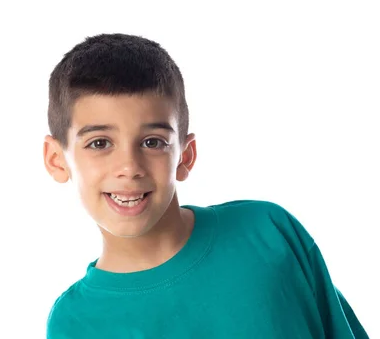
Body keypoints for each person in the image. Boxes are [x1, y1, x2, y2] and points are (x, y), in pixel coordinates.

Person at [42, 33, 368, 338]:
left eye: (153, 142)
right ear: (57, 159)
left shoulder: (268, 232)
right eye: (100, 144)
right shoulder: (74, 322)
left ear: (185, 155)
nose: (129, 167)